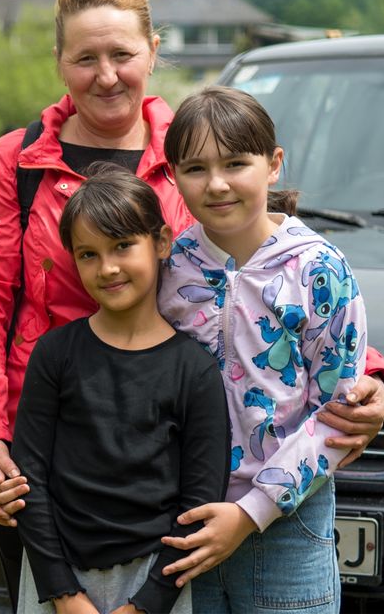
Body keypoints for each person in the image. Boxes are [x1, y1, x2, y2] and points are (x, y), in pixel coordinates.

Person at [0, 0, 384, 610]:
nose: (106, 75)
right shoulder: (14, 163)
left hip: (169, 454)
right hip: (50, 450)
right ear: (59, 62)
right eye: (85, 58)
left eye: (123, 54)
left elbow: (269, 273)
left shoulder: (195, 149)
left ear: (154, 52)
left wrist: (365, 373)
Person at [153, 86, 366, 612]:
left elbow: (339, 414)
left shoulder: (319, 270)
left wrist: (252, 512)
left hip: (289, 529)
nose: (217, 183)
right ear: (173, 175)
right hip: (185, 522)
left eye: (235, 163)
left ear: (273, 165)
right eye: (196, 168)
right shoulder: (169, 270)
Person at [12, 163, 230, 614]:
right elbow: (28, 475)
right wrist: (65, 595)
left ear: (162, 243)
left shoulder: (196, 371)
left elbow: (200, 500)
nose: (107, 267)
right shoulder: (55, 355)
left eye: (123, 246)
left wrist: (146, 604)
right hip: (56, 582)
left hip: (157, 584)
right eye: (88, 254)